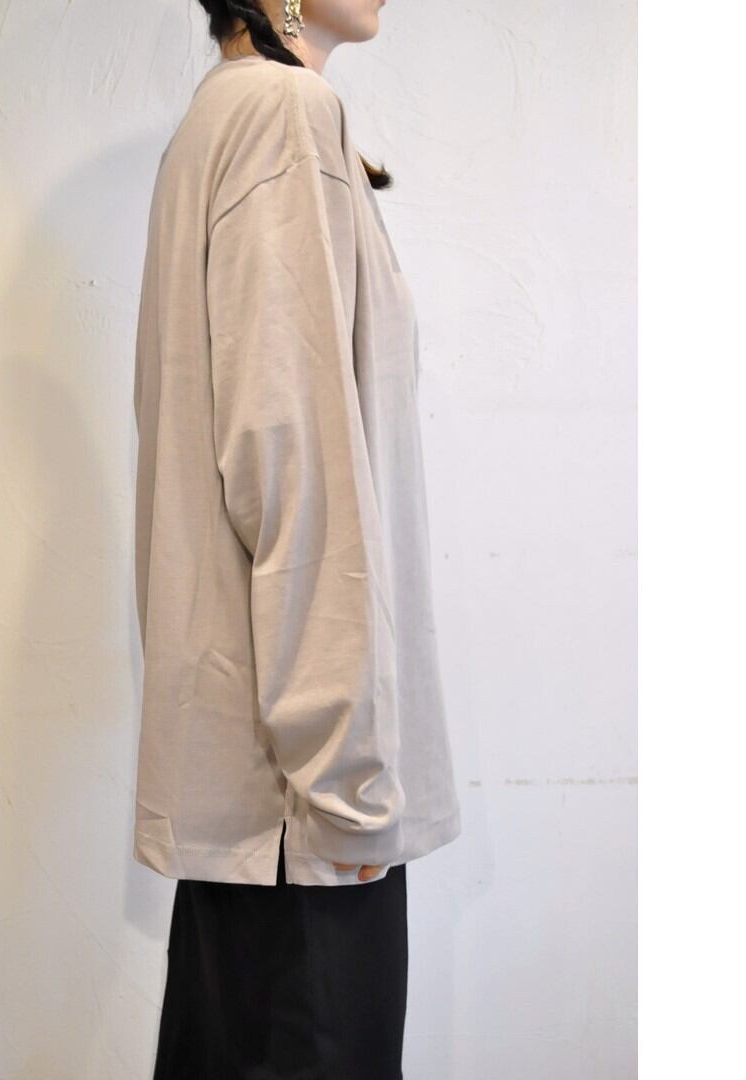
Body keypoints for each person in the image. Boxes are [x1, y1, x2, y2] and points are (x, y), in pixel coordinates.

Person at [130, 1, 462, 1075]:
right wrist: (345, 780)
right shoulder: (283, 114)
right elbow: (296, 468)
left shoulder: (220, 117)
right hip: (303, 813)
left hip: (253, 795)